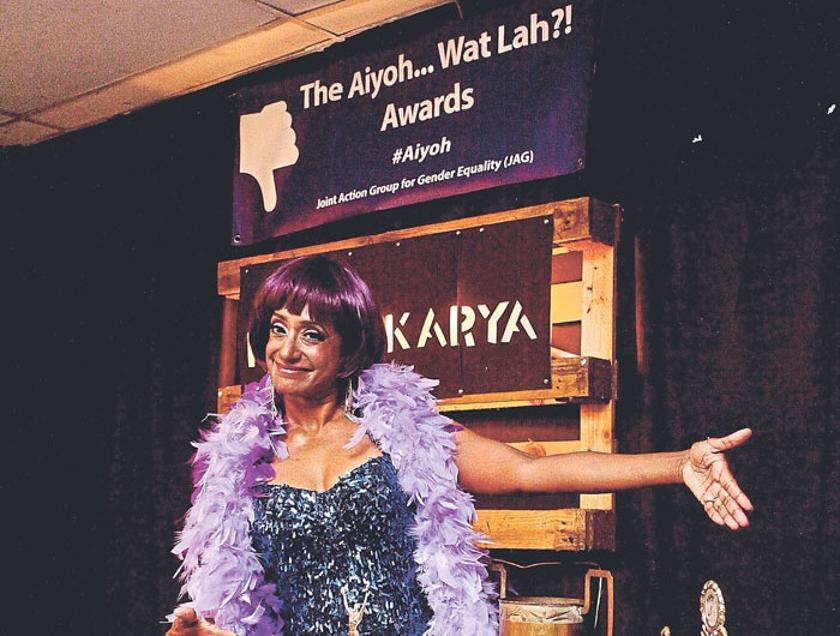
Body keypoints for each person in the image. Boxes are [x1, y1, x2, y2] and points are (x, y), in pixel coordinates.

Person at [167, 256, 752, 636]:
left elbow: (530, 472)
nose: (287, 350)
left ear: (347, 352)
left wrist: (679, 465)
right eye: (277, 328)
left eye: (312, 333)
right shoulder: (238, 464)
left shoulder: (403, 434)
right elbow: (238, 601)